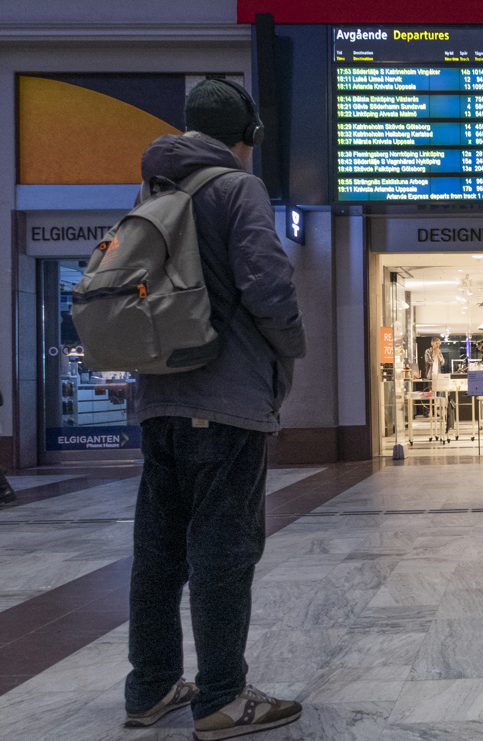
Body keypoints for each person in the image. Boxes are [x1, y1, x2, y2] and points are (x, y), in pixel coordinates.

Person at [124, 79, 304, 740]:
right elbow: (266, 281)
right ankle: (223, 696)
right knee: (223, 546)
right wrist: (292, 348)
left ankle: (148, 687)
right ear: (247, 134)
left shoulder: (154, 189)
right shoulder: (236, 189)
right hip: (223, 402)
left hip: (157, 399)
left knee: (158, 546)